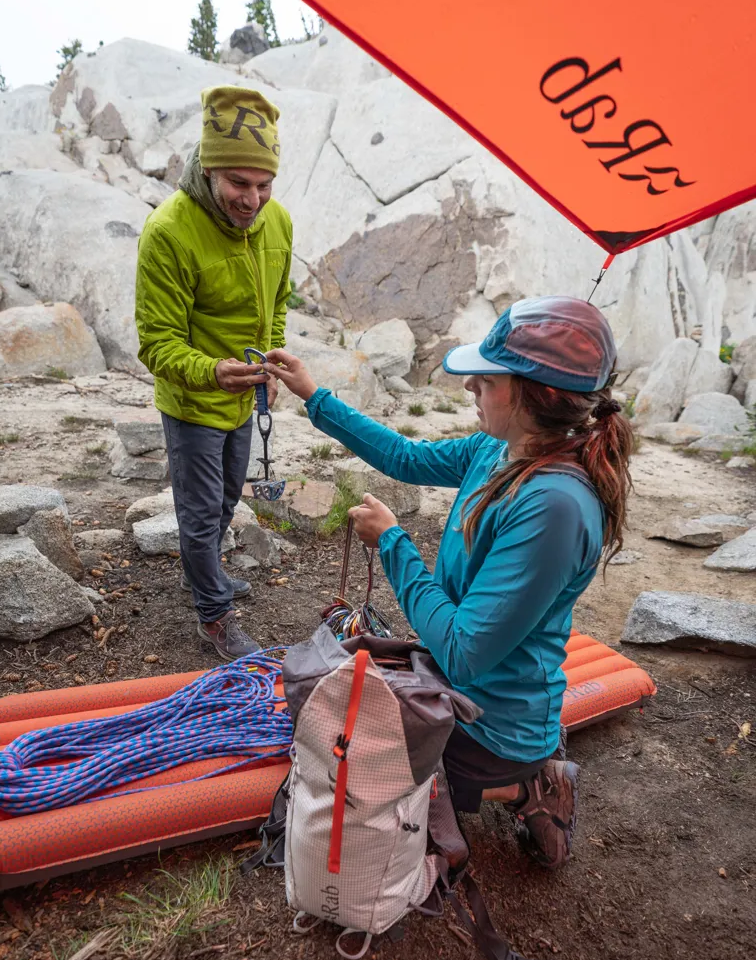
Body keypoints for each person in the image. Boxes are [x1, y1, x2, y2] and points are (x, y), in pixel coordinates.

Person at [265, 297, 633, 868]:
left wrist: (393, 543)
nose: (470, 387)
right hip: (459, 681)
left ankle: (527, 785)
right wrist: (314, 396)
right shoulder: (499, 449)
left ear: (530, 394)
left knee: (345, 750)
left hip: (495, 724)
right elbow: (406, 458)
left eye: (487, 379)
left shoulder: (554, 506)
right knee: (324, 715)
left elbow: (462, 649)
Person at [135, 85, 293, 660]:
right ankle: (214, 615)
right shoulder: (169, 231)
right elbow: (156, 343)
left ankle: (203, 573)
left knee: (227, 499)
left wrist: (271, 356)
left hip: (244, 396)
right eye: (238, 184)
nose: (253, 200)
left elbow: (278, 300)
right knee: (200, 514)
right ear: (207, 170)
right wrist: (211, 373)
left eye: (264, 184)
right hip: (193, 401)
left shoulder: (277, 222)